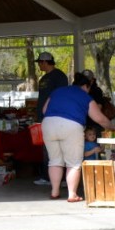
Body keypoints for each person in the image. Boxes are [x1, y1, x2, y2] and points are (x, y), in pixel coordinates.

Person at [42, 72, 112, 202]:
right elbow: (99, 119)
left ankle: (55, 192)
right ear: (86, 86)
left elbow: (44, 110)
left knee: (55, 160)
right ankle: (72, 194)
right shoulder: (85, 96)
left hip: (48, 124)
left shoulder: (58, 91)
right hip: (71, 125)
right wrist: (112, 127)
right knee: (73, 163)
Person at [33, 52, 68, 186]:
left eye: (40, 63)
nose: (39, 65)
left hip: (56, 116)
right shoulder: (43, 79)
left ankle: (62, 178)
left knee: (58, 146)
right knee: (46, 147)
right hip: (44, 117)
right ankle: (47, 176)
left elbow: (61, 96)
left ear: (45, 62)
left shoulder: (59, 76)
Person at [81, 69, 105, 133]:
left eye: (88, 80)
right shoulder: (75, 90)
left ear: (92, 80)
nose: (86, 82)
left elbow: (98, 108)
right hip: (79, 124)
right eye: (83, 80)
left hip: (93, 125)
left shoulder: (97, 91)